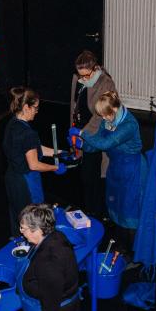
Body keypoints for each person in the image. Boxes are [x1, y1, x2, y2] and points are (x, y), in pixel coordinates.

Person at [73, 91, 145, 237]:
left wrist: (82, 133)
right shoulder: (107, 120)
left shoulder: (129, 124)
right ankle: (119, 243)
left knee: (129, 208)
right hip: (116, 168)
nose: (104, 118)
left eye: (106, 114)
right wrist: (82, 145)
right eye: (102, 115)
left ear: (115, 109)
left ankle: (132, 249)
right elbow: (97, 143)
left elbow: (106, 143)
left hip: (132, 170)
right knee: (116, 205)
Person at [3, 87, 67, 236]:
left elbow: (35, 149)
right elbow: (34, 164)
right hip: (26, 182)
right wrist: (54, 167)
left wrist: (58, 152)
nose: (37, 111)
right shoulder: (28, 133)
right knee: (32, 219)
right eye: (35, 108)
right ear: (26, 107)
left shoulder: (12, 124)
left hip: (12, 178)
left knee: (17, 218)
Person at [69, 50, 117, 218]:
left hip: (97, 133)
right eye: (80, 75)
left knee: (94, 175)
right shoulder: (79, 79)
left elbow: (101, 115)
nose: (83, 79)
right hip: (82, 130)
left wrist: (83, 133)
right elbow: (73, 106)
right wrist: (73, 131)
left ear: (95, 68)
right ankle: (89, 209)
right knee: (85, 175)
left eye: (87, 75)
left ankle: (97, 212)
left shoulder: (106, 82)